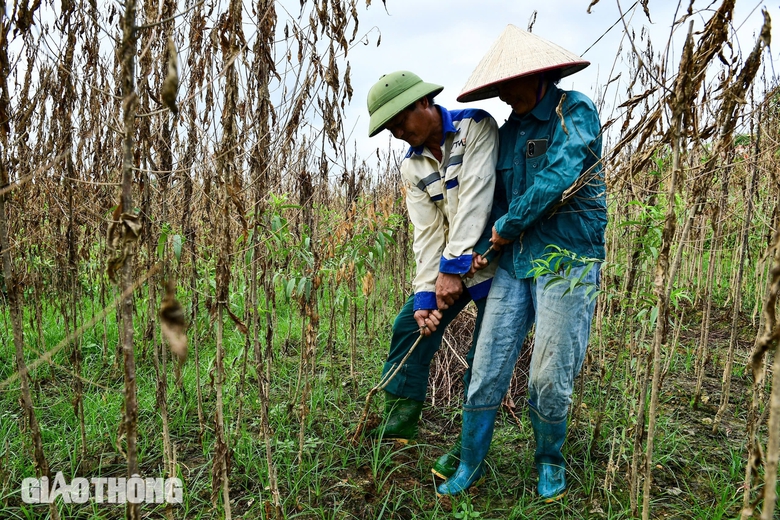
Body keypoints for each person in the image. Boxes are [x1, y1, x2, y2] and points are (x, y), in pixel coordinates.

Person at [435, 25, 607, 501]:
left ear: (538, 76)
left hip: (569, 256)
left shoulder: (575, 110)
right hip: (516, 261)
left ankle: (550, 458)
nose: (506, 97)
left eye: (511, 85)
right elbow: (496, 200)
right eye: (499, 89)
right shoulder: (509, 133)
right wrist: (472, 252)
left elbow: (561, 175)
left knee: (551, 372)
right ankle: (471, 462)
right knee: (487, 363)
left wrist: (508, 225)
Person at [365, 71, 499, 478]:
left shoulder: (476, 126)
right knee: (410, 323)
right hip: (452, 268)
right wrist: (427, 294)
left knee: (485, 354)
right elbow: (426, 232)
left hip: (496, 260)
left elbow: (476, 197)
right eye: (390, 129)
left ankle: (466, 449)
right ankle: (398, 427)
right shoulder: (412, 167)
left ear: (424, 103)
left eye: (401, 122)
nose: (399, 133)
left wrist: (456, 265)